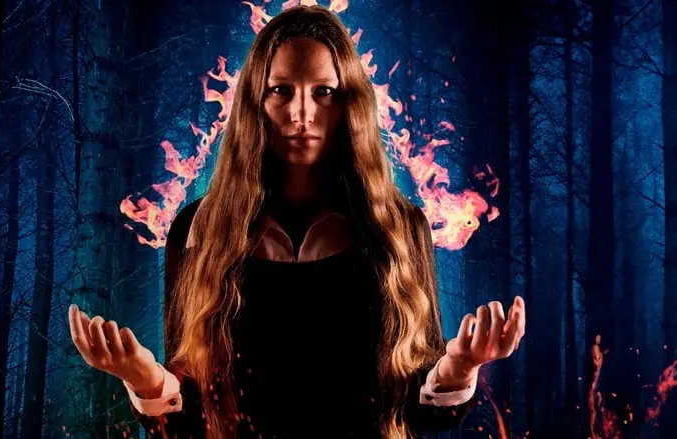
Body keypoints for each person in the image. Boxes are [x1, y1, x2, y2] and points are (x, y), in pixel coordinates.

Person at [68, 5, 526, 439]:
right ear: (255, 100)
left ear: (348, 103)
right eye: (281, 90)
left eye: (323, 92)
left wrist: (458, 368)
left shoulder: (401, 228)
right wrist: (145, 379)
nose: (301, 114)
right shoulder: (198, 228)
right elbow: (189, 422)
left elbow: (418, 414)